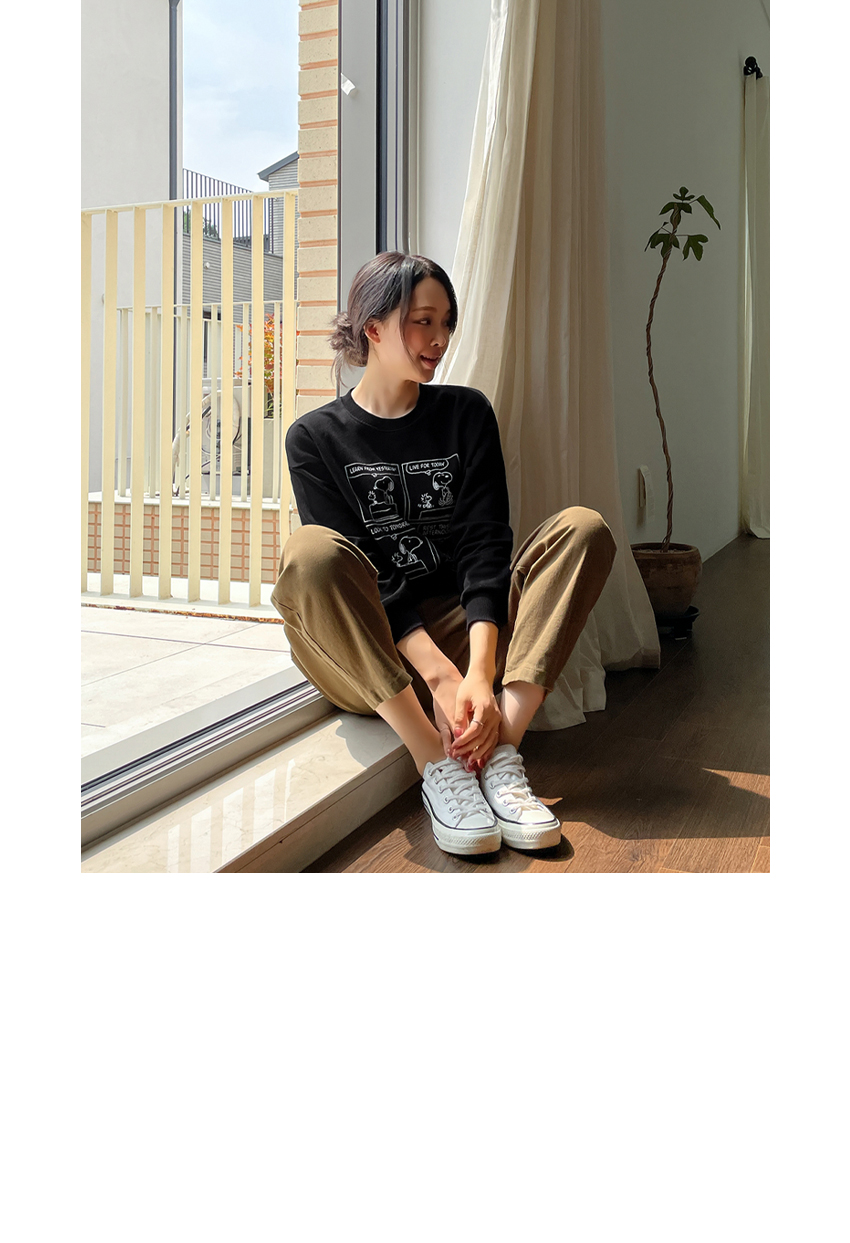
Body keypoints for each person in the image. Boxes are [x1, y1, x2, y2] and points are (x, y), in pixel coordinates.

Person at [271, 252, 616, 858]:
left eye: (447, 323)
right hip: (368, 652)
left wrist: (478, 673)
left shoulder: (466, 412)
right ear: (373, 327)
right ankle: (438, 764)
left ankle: (499, 753)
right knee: (311, 553)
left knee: (583, 530)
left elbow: (485, 543)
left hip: (463, 631)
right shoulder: (314, 438)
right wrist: (439, 675)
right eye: (423, 321)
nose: (440, 339)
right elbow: (369, 576)